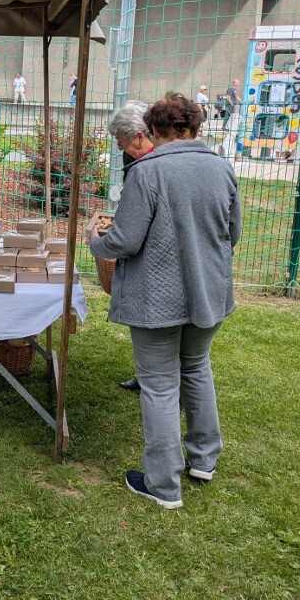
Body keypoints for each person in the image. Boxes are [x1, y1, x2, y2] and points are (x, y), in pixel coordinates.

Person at [86, 93, 241, 510]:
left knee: (158, 385)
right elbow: (233, 233)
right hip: (210, 293)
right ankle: (204, 460)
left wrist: (94, 241)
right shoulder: (222, 168)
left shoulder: (147, 172)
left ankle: (163, 485)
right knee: (196, 368)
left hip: (157, 300)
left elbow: (124, 240)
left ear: (153, 130)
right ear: (193, 127)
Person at [107, 101, 155, 394]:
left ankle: (156, 381)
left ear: (139, 135)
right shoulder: (132, 158)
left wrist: (102, 243)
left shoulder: (159, 160)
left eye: (122, 141)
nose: (120, 148)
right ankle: (146, 372)